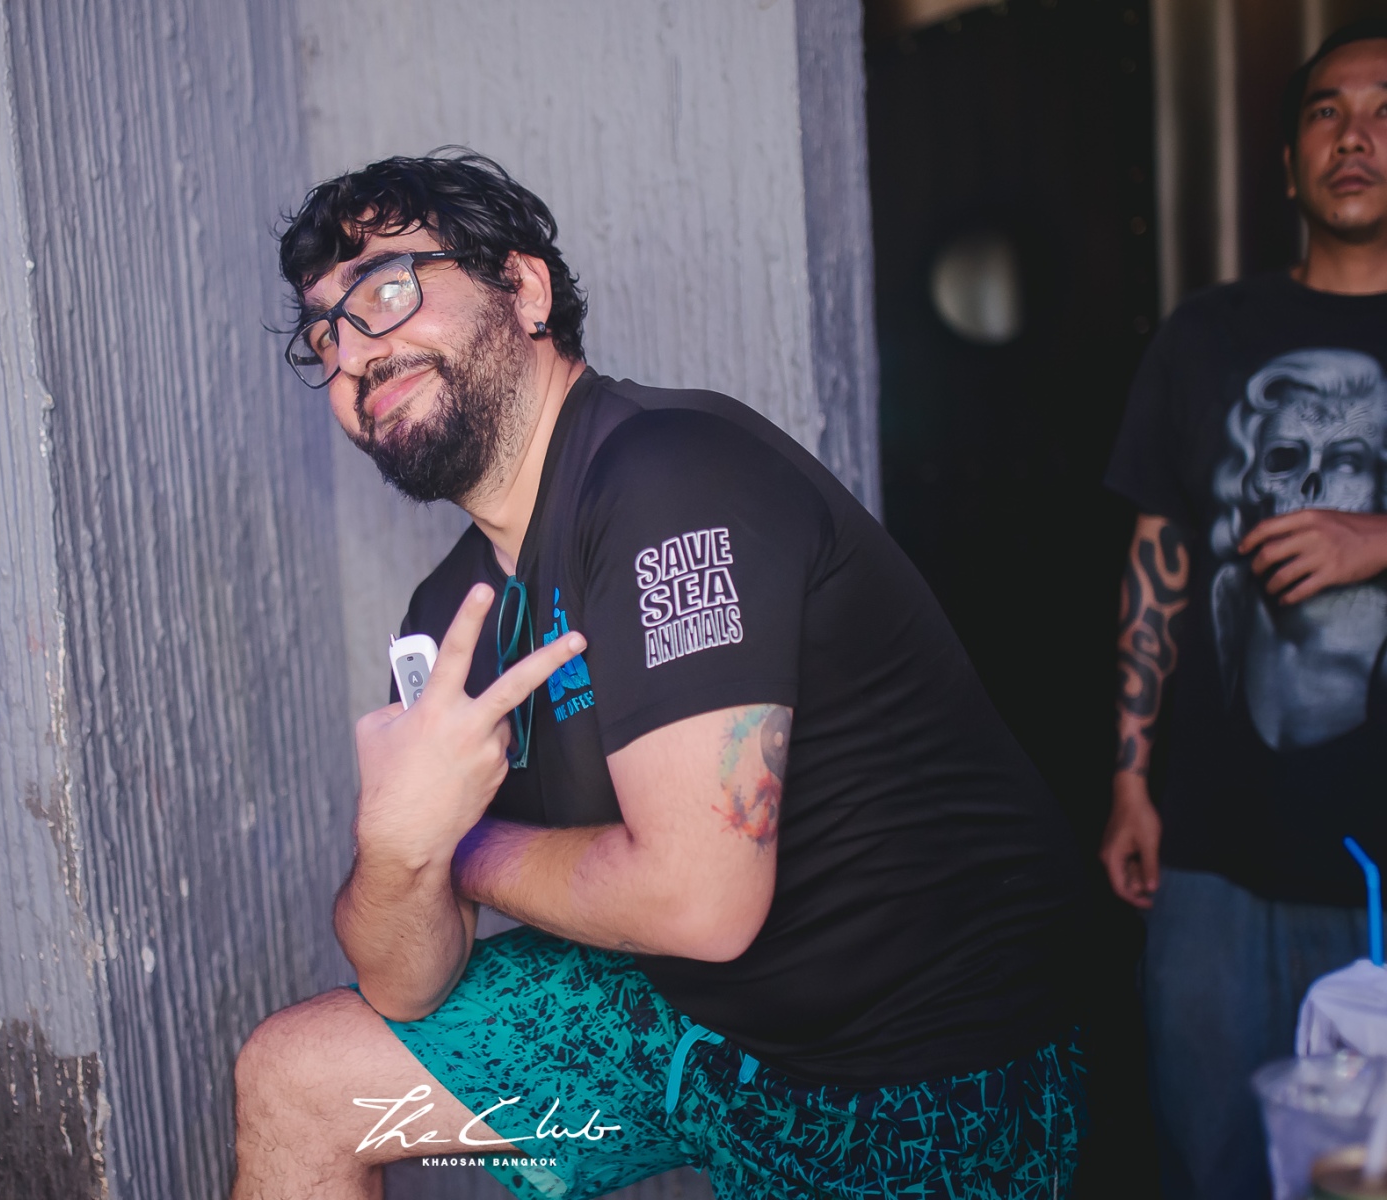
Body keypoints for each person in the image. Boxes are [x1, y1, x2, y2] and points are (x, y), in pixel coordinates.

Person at [231, 150, 1084, 1200]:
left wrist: (459, 843)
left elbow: (698, 902)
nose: (355, 351)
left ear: (524, 290)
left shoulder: (671, 476)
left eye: (388, 289)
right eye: (325, 332)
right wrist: (397, 844)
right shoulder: (449, 617)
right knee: (299, 1079)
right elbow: (406, 984)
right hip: (689, 1015)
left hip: (921, 1060)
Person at [1099, 20, 1387, 1200]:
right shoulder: (1205, 339)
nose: (1356, 136)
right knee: (1211, 1158)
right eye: (1326, 112)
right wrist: (1129, 778)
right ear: (1288, 164)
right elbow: (1156, 559)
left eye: (1386, 111)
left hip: (1377, 864)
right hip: (1215, 855)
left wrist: (1377, 538)